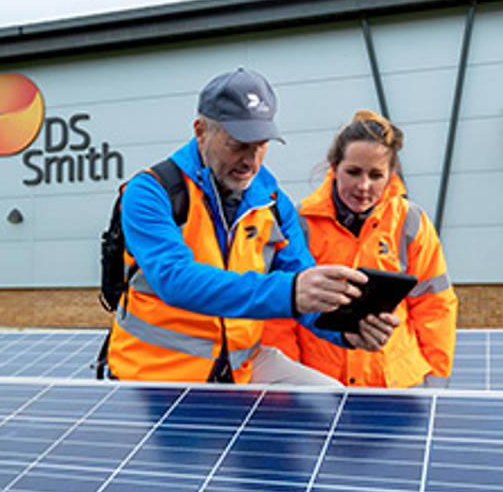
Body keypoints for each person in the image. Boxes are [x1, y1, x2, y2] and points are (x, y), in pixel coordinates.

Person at [106, 68, 400, 383]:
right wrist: (289, 292)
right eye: (238, 144)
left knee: (334, 403)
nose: (251, 160)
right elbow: (175, 280)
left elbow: (302, 284)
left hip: (241, 365)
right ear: (201, 131)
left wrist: (344, 329)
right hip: (155, 375)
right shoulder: (151, 192)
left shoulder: (272, 202)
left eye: (261, 145)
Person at [262, 110, 458, 388]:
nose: (363, 186)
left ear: (391, 176)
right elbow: (281, 313)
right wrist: (289, 385)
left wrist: (437, 381)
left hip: (397, 386)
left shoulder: (411, 222)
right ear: (333, 166)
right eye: (353, 172)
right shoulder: (299, 224)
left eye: (376, 175)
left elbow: (435, 305)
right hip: (321, 385)